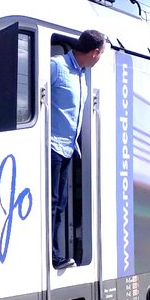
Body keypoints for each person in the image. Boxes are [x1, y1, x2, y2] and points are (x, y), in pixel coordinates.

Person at [50, 30, 106, 268]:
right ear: (94, 53)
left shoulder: (81, 74)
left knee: (60, 204)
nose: (100, 57)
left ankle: (55, 254)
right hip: (52, 147)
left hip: (67, 150)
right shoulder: (56, 66)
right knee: (52, 204)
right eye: (102, 53)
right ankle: (51, 255)